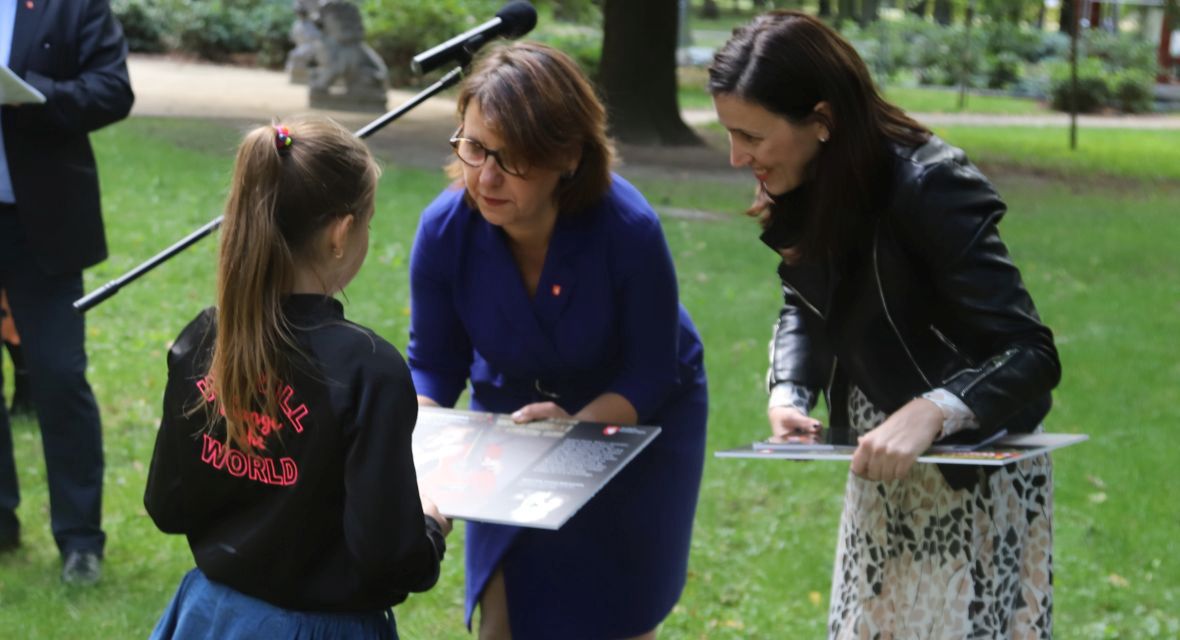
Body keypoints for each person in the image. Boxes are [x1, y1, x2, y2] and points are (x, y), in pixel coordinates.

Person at [708, 11, 1061, 639]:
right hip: (880, 471)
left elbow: (1031, 353)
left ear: (821, 121)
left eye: (752, 137)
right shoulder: (807, 181)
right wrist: (789, 392)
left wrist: (932, 410)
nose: (738, 158)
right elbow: (805, 302)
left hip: (969, 477)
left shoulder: (933, 183)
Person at [408, 42, 708, 640]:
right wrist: (419, 463)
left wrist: (576, 427)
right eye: (473, 148)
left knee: (616, 614)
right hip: (515, 416)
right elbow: (432, 368)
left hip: (639, 414)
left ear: (567, 155)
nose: (485, 177)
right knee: (505, 616)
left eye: (512, 158)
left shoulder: (629, 230)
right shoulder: (444, 231)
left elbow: (650, 372)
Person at [144, 117, 449, 639]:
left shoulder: (203, 341)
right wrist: (428, 527)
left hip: (214, 618)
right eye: (368, 221)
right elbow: (390, 558)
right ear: (341, 233)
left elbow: (168, 505)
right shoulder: (367, 370)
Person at [0, 0, 134, 583]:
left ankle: (80, 538)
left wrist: (34, 93)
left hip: (43, 223)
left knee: (57, 375)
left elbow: (112, 90)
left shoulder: (74, 5)